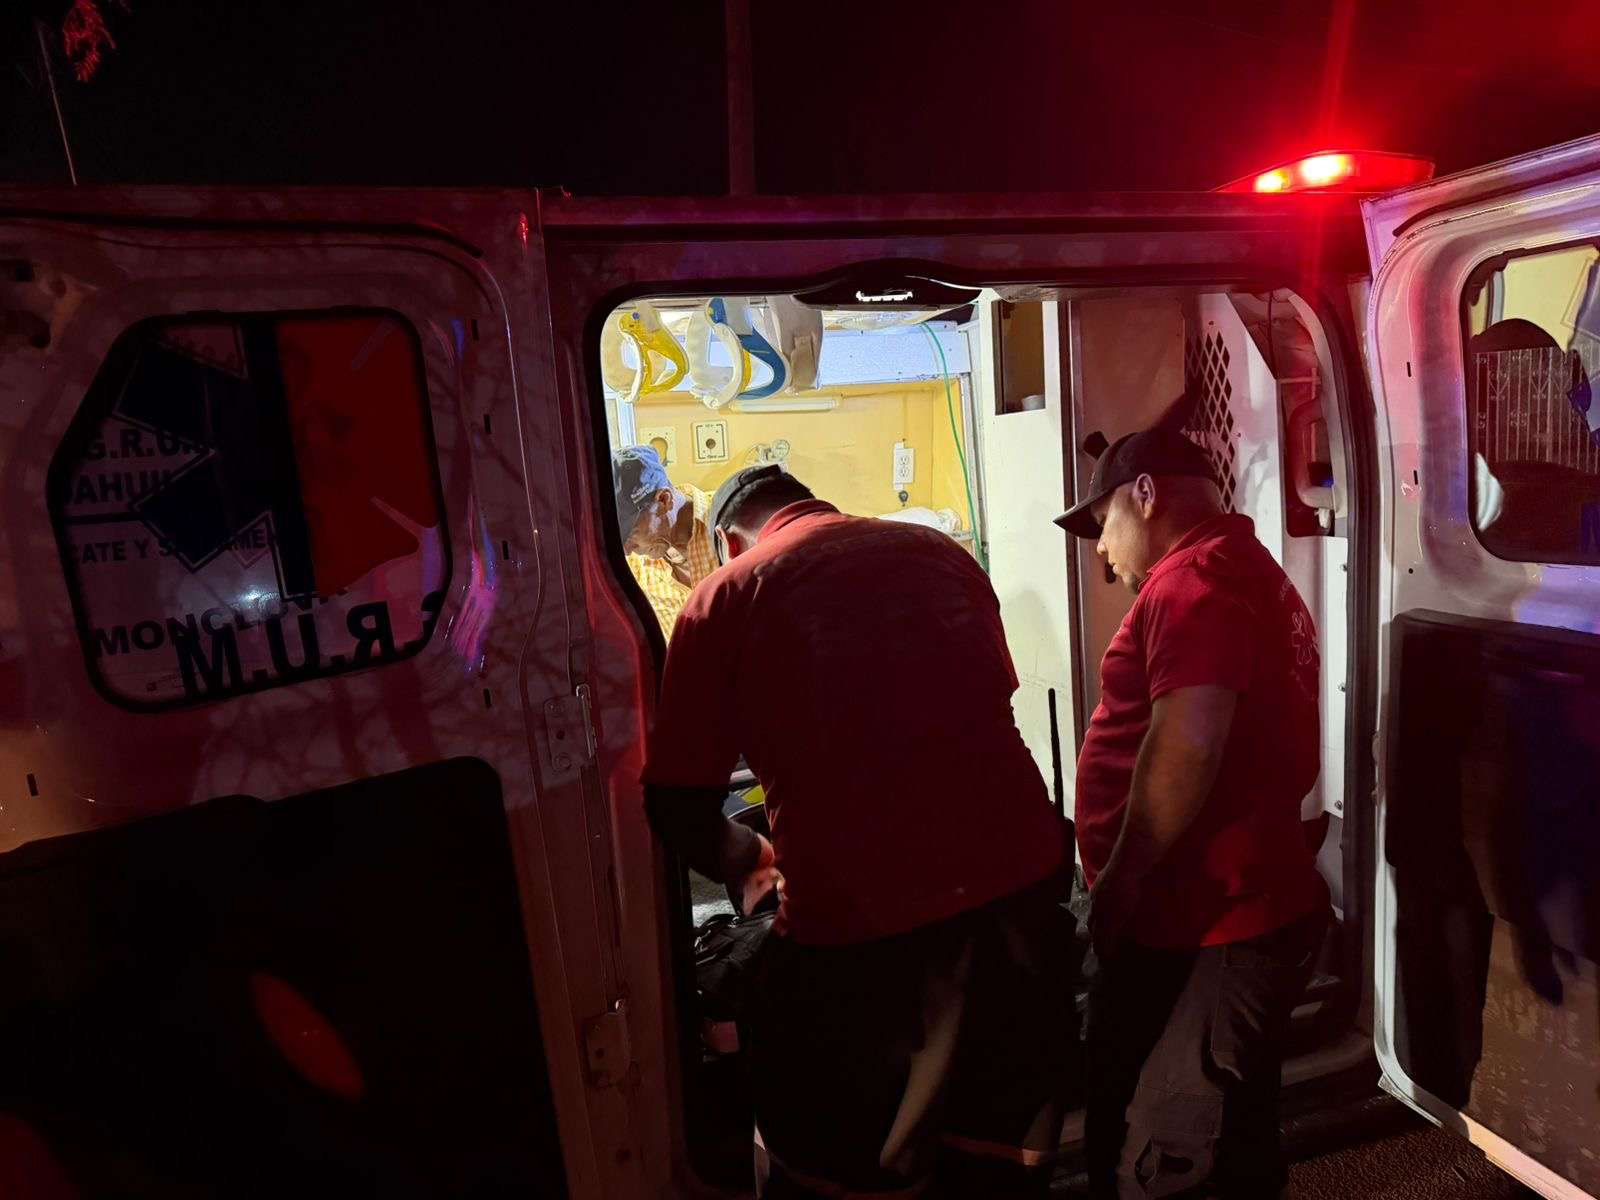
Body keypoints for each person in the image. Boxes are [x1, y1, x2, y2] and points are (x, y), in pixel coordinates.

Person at [643, 464, 1075, 1199]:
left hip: (865, 933)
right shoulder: (941, 556)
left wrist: (749, 861)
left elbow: (678, 802)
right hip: (1022, 897)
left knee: (840, 1167)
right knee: (998, 1157)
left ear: (728, 541)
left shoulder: (725, 595)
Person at [1054, 428, 1330, 1200]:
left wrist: (1116, 887)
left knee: (1163, 1153)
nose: (1102, 552)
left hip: (1203, 925)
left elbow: (1189, 745)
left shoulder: (1192, 583)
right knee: (1232, 1132)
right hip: (1230, 911)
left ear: (1145, 494)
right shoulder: (1246, 568)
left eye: (1102, 524)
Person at [612, 445, 718, 638]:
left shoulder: (730, 520)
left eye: (631, 533)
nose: (627, 550)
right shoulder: (635, 567)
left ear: (663, 500)